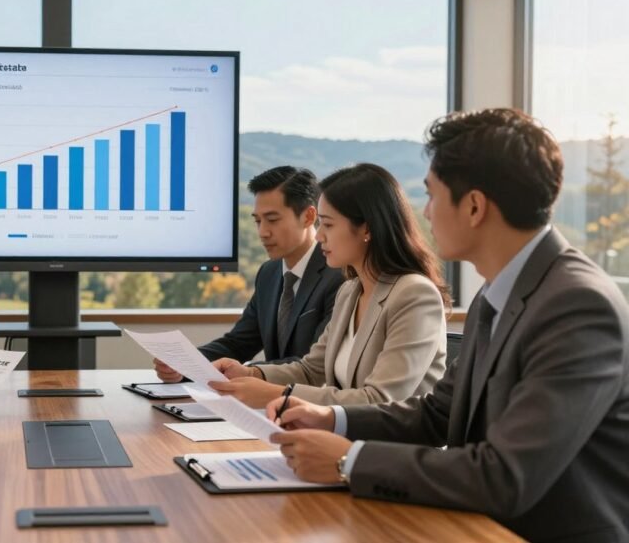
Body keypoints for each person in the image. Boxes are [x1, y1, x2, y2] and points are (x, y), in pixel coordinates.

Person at [268, 109, 629, 543]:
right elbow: (438, 413)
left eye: (433, 196)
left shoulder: (577, 305)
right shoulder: (497, 294)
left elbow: (505, 476)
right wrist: (333, 419)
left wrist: (351, 460)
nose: (425, 211)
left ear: (474, 206)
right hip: (473, 524)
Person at [207, 164, 448, 408]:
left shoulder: (414, 295)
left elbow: (379, 400)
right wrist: (251, 375)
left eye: (328, 225)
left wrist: (277, 395)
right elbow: (312, 370)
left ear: (366, 227)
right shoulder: (351, 291)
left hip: (390, 444)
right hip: (342, 436)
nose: (319, 235)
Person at [154, 166, 344, 382]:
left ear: (309, 216)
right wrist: (186, 364)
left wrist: (247, 372)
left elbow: (313, 364)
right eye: (257, 221)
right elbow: (238, 343)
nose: (262, 232)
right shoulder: (269, 273)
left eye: (272, 220)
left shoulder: (338, 277)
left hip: (312, 405)